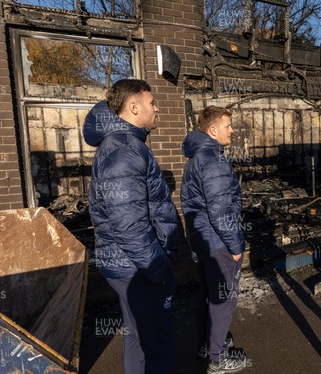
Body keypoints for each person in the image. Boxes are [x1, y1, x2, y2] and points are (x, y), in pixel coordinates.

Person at [83, 79, 179, 374]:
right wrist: (158, 269)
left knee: (139, 337)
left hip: (129, 264)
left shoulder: (125, 145)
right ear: (134, 106)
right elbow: (129, 225)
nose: (157, 108)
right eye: (152, 103)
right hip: (136, 267)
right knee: (158, 345)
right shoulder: (124, 150)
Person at [180, 106, 247, 374]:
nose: (232, 130)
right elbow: (221, 210)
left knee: (208, 294)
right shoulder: (212, 160)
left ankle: (207, 345)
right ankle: (218, 359)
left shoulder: (197, 157)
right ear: (212, 130)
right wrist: (235, 246)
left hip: (204, 239)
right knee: (223, 299)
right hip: (218, 240)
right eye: (227, 125)